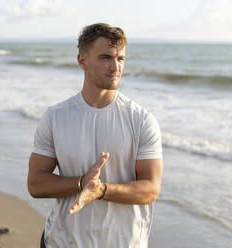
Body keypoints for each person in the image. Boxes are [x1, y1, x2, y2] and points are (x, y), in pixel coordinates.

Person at [27, 23, 163, 248]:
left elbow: (150, 189)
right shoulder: (55, 117)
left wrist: (101, 190)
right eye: (105, 57)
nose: (115, 67)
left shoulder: (141, 120)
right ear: (82, 61)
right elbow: (35, 184)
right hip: (62, 242)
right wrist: (81, 182)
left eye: (120, 59)